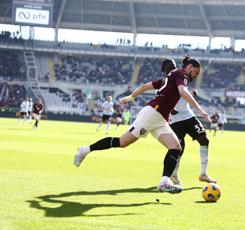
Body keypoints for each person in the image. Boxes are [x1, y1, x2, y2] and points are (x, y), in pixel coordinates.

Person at [73, 55, 211, 194]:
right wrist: (200, 110)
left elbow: (146, 86)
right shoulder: (181, 74)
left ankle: (164, 181)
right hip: (152, 114)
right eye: (196, 72)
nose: (196, 76)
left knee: (176, 147)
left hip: (160, 119)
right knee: (122, 142)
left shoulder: (168, 77)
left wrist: (132, 96)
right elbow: (182, 91)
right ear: (190, 67)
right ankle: (85, 150)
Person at [163, 58, 216, 186]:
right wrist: (172, 109)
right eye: (196, 73)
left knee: (204, 139)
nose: (196, 76)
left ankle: (203, 174)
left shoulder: (182, 77)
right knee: (178, 148)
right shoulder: (165, 82)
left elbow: (182, 94)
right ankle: (173, 174)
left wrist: (191, 94)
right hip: (175, 120)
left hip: (188, 116)